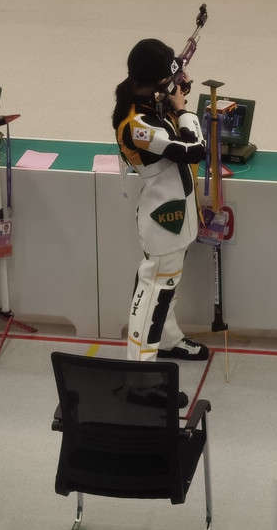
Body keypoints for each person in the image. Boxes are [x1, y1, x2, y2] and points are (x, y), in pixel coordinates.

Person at [113, 39, 210, 368]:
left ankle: (167, 340)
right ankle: (140, 373)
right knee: (154, 295)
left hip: (179, 216)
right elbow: (194, 149)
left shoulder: (148, 100)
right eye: (169, 79)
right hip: (164, 219)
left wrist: (177, 90)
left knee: (168, 285)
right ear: (156, 82)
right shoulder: (136, 125)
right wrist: (182, 108)